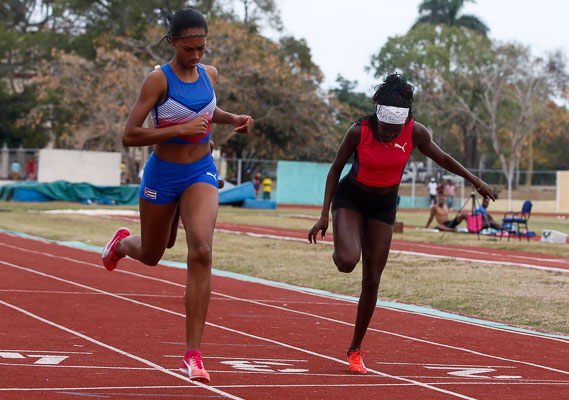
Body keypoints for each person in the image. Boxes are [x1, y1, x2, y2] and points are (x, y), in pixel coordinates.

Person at [100, 8, 253, 384]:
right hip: (162, 174)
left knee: (201, 250)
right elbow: (130, 135)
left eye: (202, 48)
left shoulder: (209, 75)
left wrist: (231, 119)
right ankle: (121, 245)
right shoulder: (157, 81)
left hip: (201, 170)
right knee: (154, 253)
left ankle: (192, 355)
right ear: (173, 42)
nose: (196, 56)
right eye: (189, 49)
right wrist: (179, 128)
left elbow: (207, 109)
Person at [308, 73, 494, 374]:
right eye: (385, 128)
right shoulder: (359, 131)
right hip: (351, 198)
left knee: (372, 279)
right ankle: (347, 238)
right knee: (346, 261)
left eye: (396, 129)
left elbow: (444, 159)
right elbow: (334, 170)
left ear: (405, 122)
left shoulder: (415, 132)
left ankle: (355, 349)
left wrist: (475, 181)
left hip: (383, 207)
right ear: (377, 116)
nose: (389, 134)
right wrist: (324, 214)